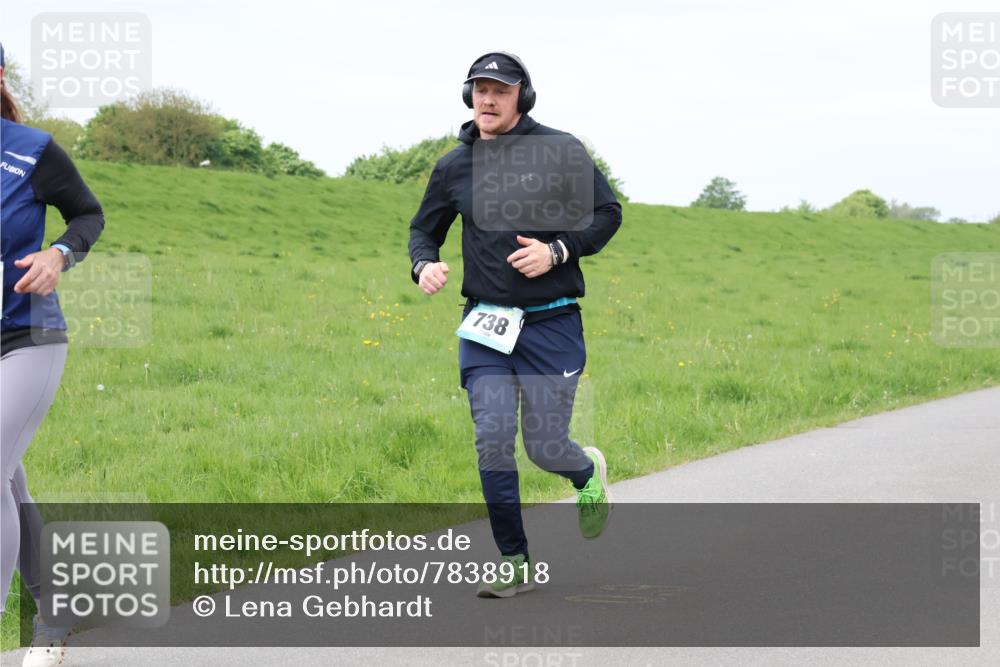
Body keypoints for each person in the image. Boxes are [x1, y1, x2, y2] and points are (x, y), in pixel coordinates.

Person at [408, 51, 622, 598]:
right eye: (479, 88)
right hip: (485, 326)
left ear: (522, 96)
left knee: (545, 447)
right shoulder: (455, 165)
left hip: (551, 325)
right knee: (493, 439)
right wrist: (423, 264)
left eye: (499, 90)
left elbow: (606, 213)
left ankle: (584, 473)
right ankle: (514, 560)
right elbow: (423, 231)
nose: (487, 98)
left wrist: (558, 251)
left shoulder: (560, 149)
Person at [1, 41, 106, 666]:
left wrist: (57, 254)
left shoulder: (31, 150)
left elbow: (87, 215)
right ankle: (57, 614)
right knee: (9, 485)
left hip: (26, 338)